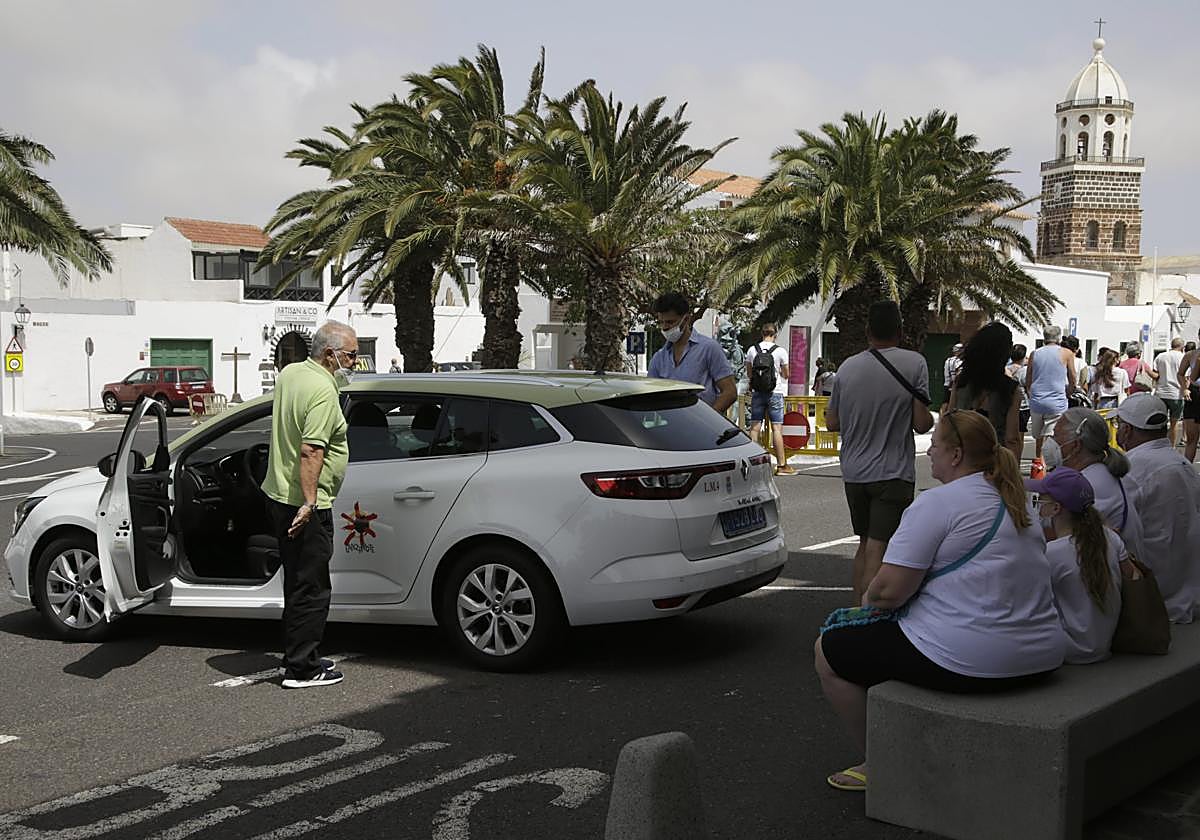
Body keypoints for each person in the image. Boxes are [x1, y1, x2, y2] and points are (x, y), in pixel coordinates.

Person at [815, 410, 1064, 791]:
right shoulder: (1015, 500)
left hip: (973, 659)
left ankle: (878, 762)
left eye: (935, 445)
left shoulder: (938, 504)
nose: (929, 452)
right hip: (1043, 655)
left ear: (957, 454)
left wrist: (864, 605)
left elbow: (886, 592)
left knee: (828, 649)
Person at [261, 320, 357, 688]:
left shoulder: (290, 374)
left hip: (279, 495)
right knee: (312, 587)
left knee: (297, 583)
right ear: (330, 354)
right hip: (304, 504)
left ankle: (297, 656)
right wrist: (311, 502)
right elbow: (311, 450)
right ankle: (303, 668)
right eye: (350, 355)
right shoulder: (322, 391)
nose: (354, 362)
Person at [825, 301, 934, 603]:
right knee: (879, 546)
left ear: (867, 331)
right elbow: (922, 423)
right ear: (900, 331)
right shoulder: (915, 364)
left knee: (864, 543)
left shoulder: (847, 367)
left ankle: (856, 607)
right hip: (893, 472)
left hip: (854, 472)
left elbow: (832, 421)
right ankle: (867, 615)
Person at [1117, 394, 1200, 623]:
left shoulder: (1132, 470)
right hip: (1186, 585)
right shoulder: (1182, 464)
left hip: (1155, 590)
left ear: (1127, 430)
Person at [1027, 467, 1124, 664]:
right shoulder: (1111, 538)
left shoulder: (1053, 553)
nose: (1038, 505)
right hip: (1104, 643)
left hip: (1068, 647)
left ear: (1056, 508)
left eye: (1041, 499)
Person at [1046, 407, 1146, 564]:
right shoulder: (1099, 473)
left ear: (1076, 445)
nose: (1050, 443)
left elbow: (1056, 537)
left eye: (1056, 437)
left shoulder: (1087, 485)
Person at [648, 291, 736, 412]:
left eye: (670, 322)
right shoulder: (658, 358)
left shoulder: (709, 349)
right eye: (661, 322)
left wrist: (707, 420)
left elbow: (730, 392)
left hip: (705, 428)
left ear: (686, 319)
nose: (664, 327)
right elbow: (650, 399)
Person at [948, 322, 1021, 462]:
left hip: (962, 460)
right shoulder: (1010, 389)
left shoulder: (961, 381)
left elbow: (951, 418)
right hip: (993, 460)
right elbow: (1012, 438)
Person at [745, 323, 793, 476]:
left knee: (754, 428)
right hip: (775, 393)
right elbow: (786, 374)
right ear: (775, 334)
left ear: (762, 333)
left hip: (757, 393)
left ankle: (752, 463)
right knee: (776, 429)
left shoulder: (752, 350)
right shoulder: (780, 351)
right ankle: (782, 465)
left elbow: (749, 373)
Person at [1025, 325, 1077, 462]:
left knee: (1038, 436)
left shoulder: (1034, 353)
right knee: (1051, 435)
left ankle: (1038, 462)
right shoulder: (1067, 353)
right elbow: (1073, 377)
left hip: (1037, 400)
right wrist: (1069, 392)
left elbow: (1028, 378)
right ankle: (1049, 464)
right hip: (1057, 401)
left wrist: (1031, 394)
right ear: (1059, 338)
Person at [1154, 337, 1186, 445]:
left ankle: (1159, 445)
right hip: (1176, 394)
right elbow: (1186, 377)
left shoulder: (1161, 356)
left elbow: (1156, 374)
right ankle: (1171, 447)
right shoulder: (1183, 358)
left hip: (1161, 393)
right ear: (1182, 347)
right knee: (1174, 423)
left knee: (1160, 423)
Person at [1179, 330, 1200, 462]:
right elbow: (1181, 374)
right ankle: (1187, 472)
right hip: (1195, 392)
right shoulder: (1191, 355)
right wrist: (1185, 388)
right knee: (1191, 438)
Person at [1007, 344, 1030, 434]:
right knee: (1020, 433)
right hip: (1023, 405)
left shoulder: (1006, 368)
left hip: (1008, 404)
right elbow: (1028, 386)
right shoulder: (1024, 371)